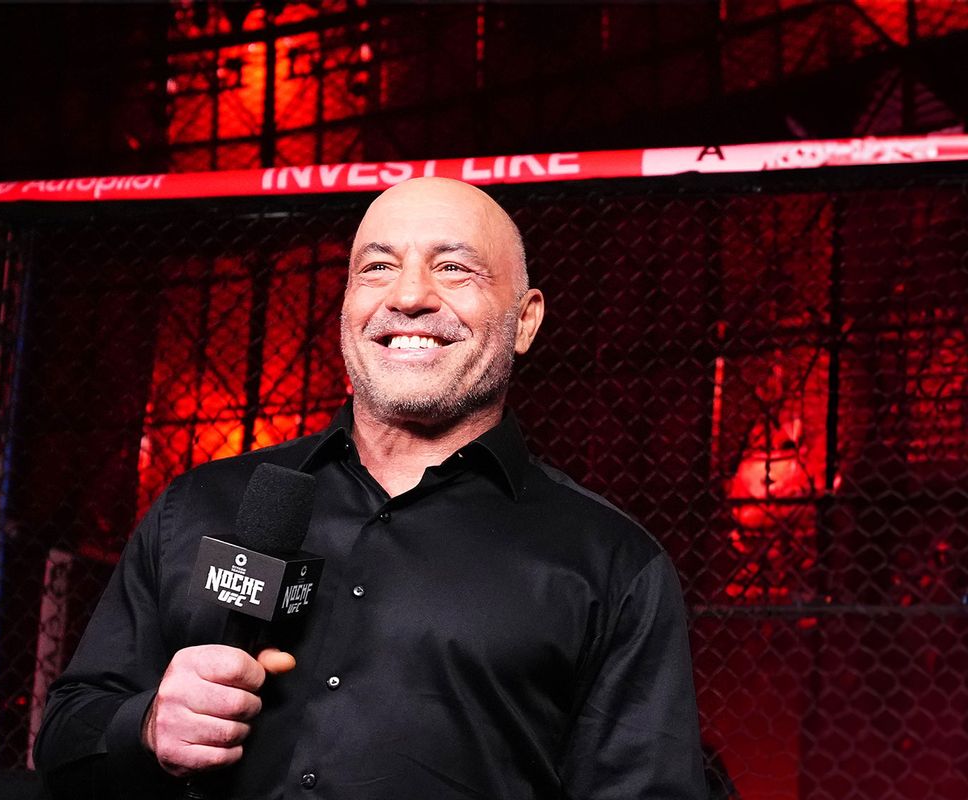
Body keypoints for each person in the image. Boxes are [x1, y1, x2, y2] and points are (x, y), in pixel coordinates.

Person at [35, 177, 706, 799]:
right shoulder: (202, 504)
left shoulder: (612, 565)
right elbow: (65, 739)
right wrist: (148, 724)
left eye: (454, 267)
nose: (408, 296)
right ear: (348, 306)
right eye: (377, 268)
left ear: (525, 321)